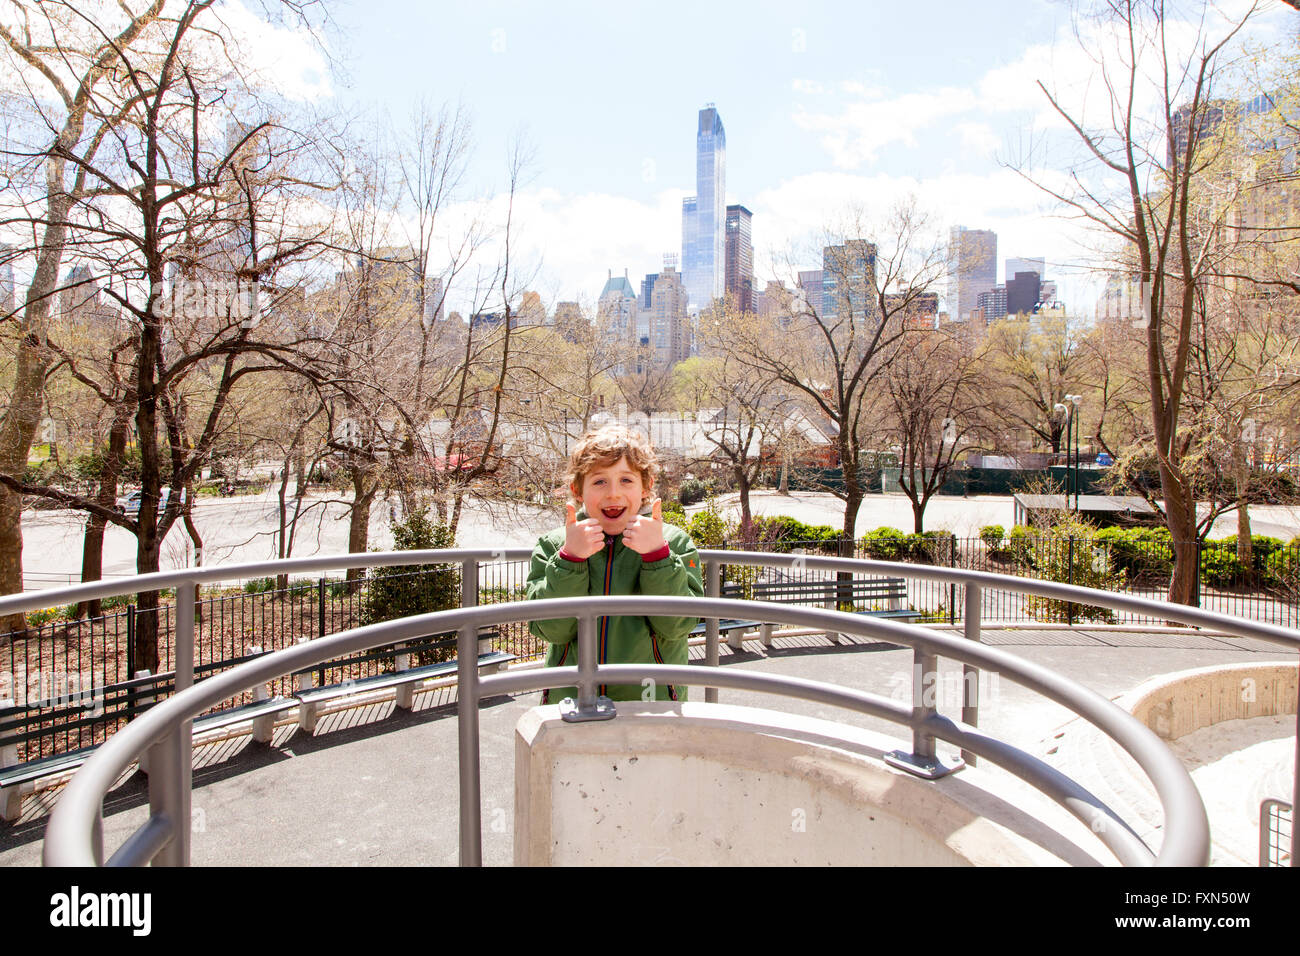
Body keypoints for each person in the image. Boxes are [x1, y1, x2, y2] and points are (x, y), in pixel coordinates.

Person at [526, 425, 703, 704]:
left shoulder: (674, 544)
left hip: (651, 702)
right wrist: (570, 559)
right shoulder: (554, 546)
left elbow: (677, 626)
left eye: (626, 481)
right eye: (599, 482)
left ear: (646, 487)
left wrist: (657, 556)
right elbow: (552, 630)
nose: (613, 494)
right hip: (574, 700)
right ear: (577, 490)